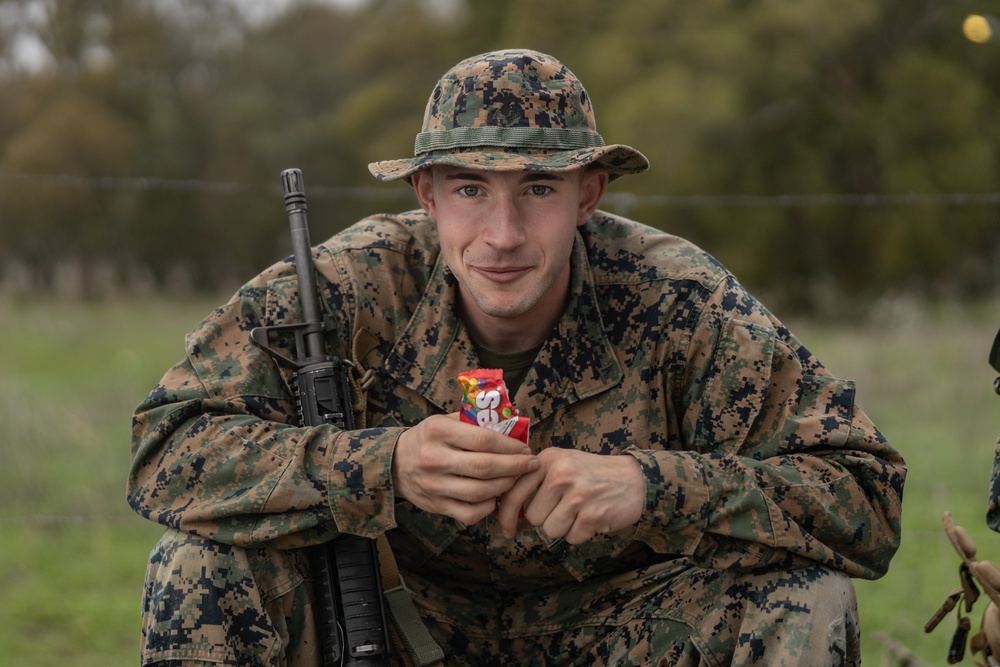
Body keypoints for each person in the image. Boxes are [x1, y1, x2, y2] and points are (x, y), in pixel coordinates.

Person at [128, 49, 906, 666]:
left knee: (810, 596)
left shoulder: (679, 300)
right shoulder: (341, 291)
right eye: (471, 188)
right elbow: (165, 448)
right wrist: (381, 467)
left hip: (630, 630)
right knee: (196, 565)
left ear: (589, 194)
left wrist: (655, 484)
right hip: (394, 622)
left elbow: (863, 497)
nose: (501, 234)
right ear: (426, 195)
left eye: (537, 188)